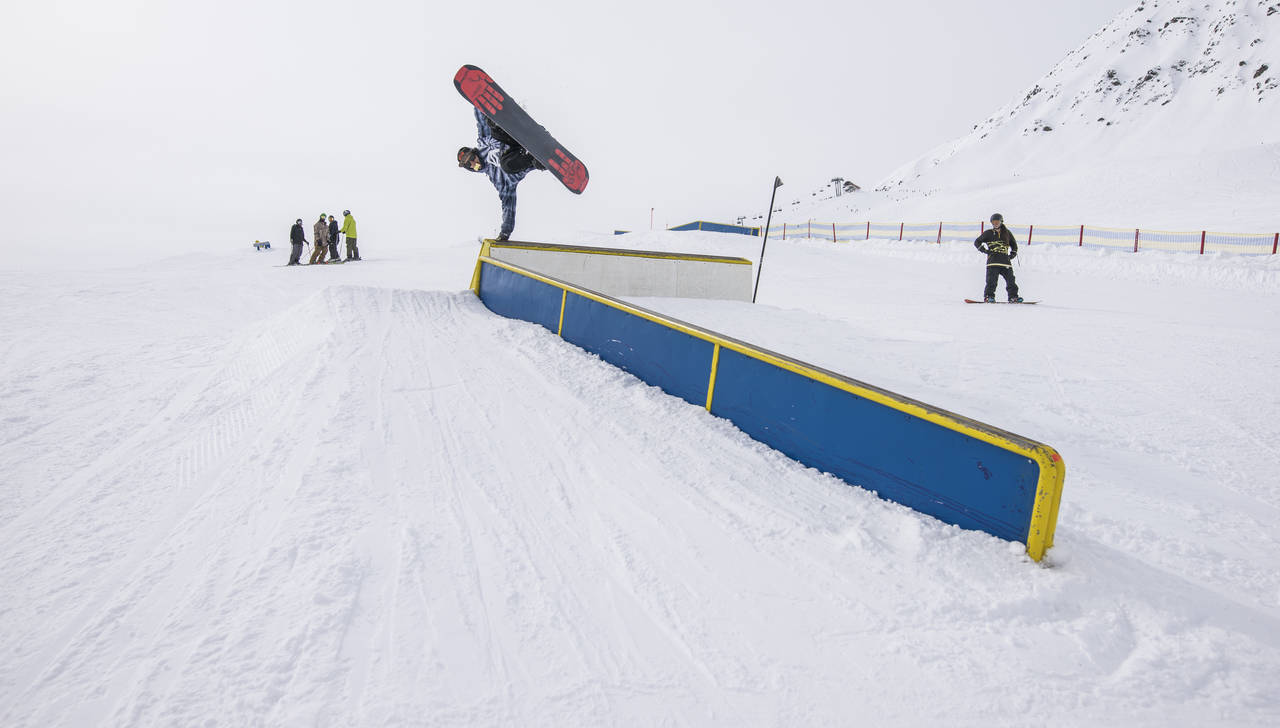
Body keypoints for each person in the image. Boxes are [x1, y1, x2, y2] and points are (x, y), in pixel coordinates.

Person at [457, 108, 544, 241]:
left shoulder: (483, 141)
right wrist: (505, 233)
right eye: (469, 164)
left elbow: (481, 119)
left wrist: (477, 99)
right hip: (524, 158)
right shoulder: (499, 181)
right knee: (506, 165)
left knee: (493, 128)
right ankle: (536, 158)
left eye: (471, 158)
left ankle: (507, 123)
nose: (473, 163)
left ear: (474, 152)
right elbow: (508, 206)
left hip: (514, 138)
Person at [973, 213, 1022, 302]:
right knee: (991, 281)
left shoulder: (1007, 233)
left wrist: (1013, 254)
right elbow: (977, 242)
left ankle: (1013, 297)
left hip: (1005, 262)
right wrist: (985, 251)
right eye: (993, 222)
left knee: (1011, 281)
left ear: (1001, 222)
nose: (995, 223)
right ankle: (989, 297)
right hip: (993, 262)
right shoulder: (988, 233)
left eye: (997, 222)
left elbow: (1014, 245)